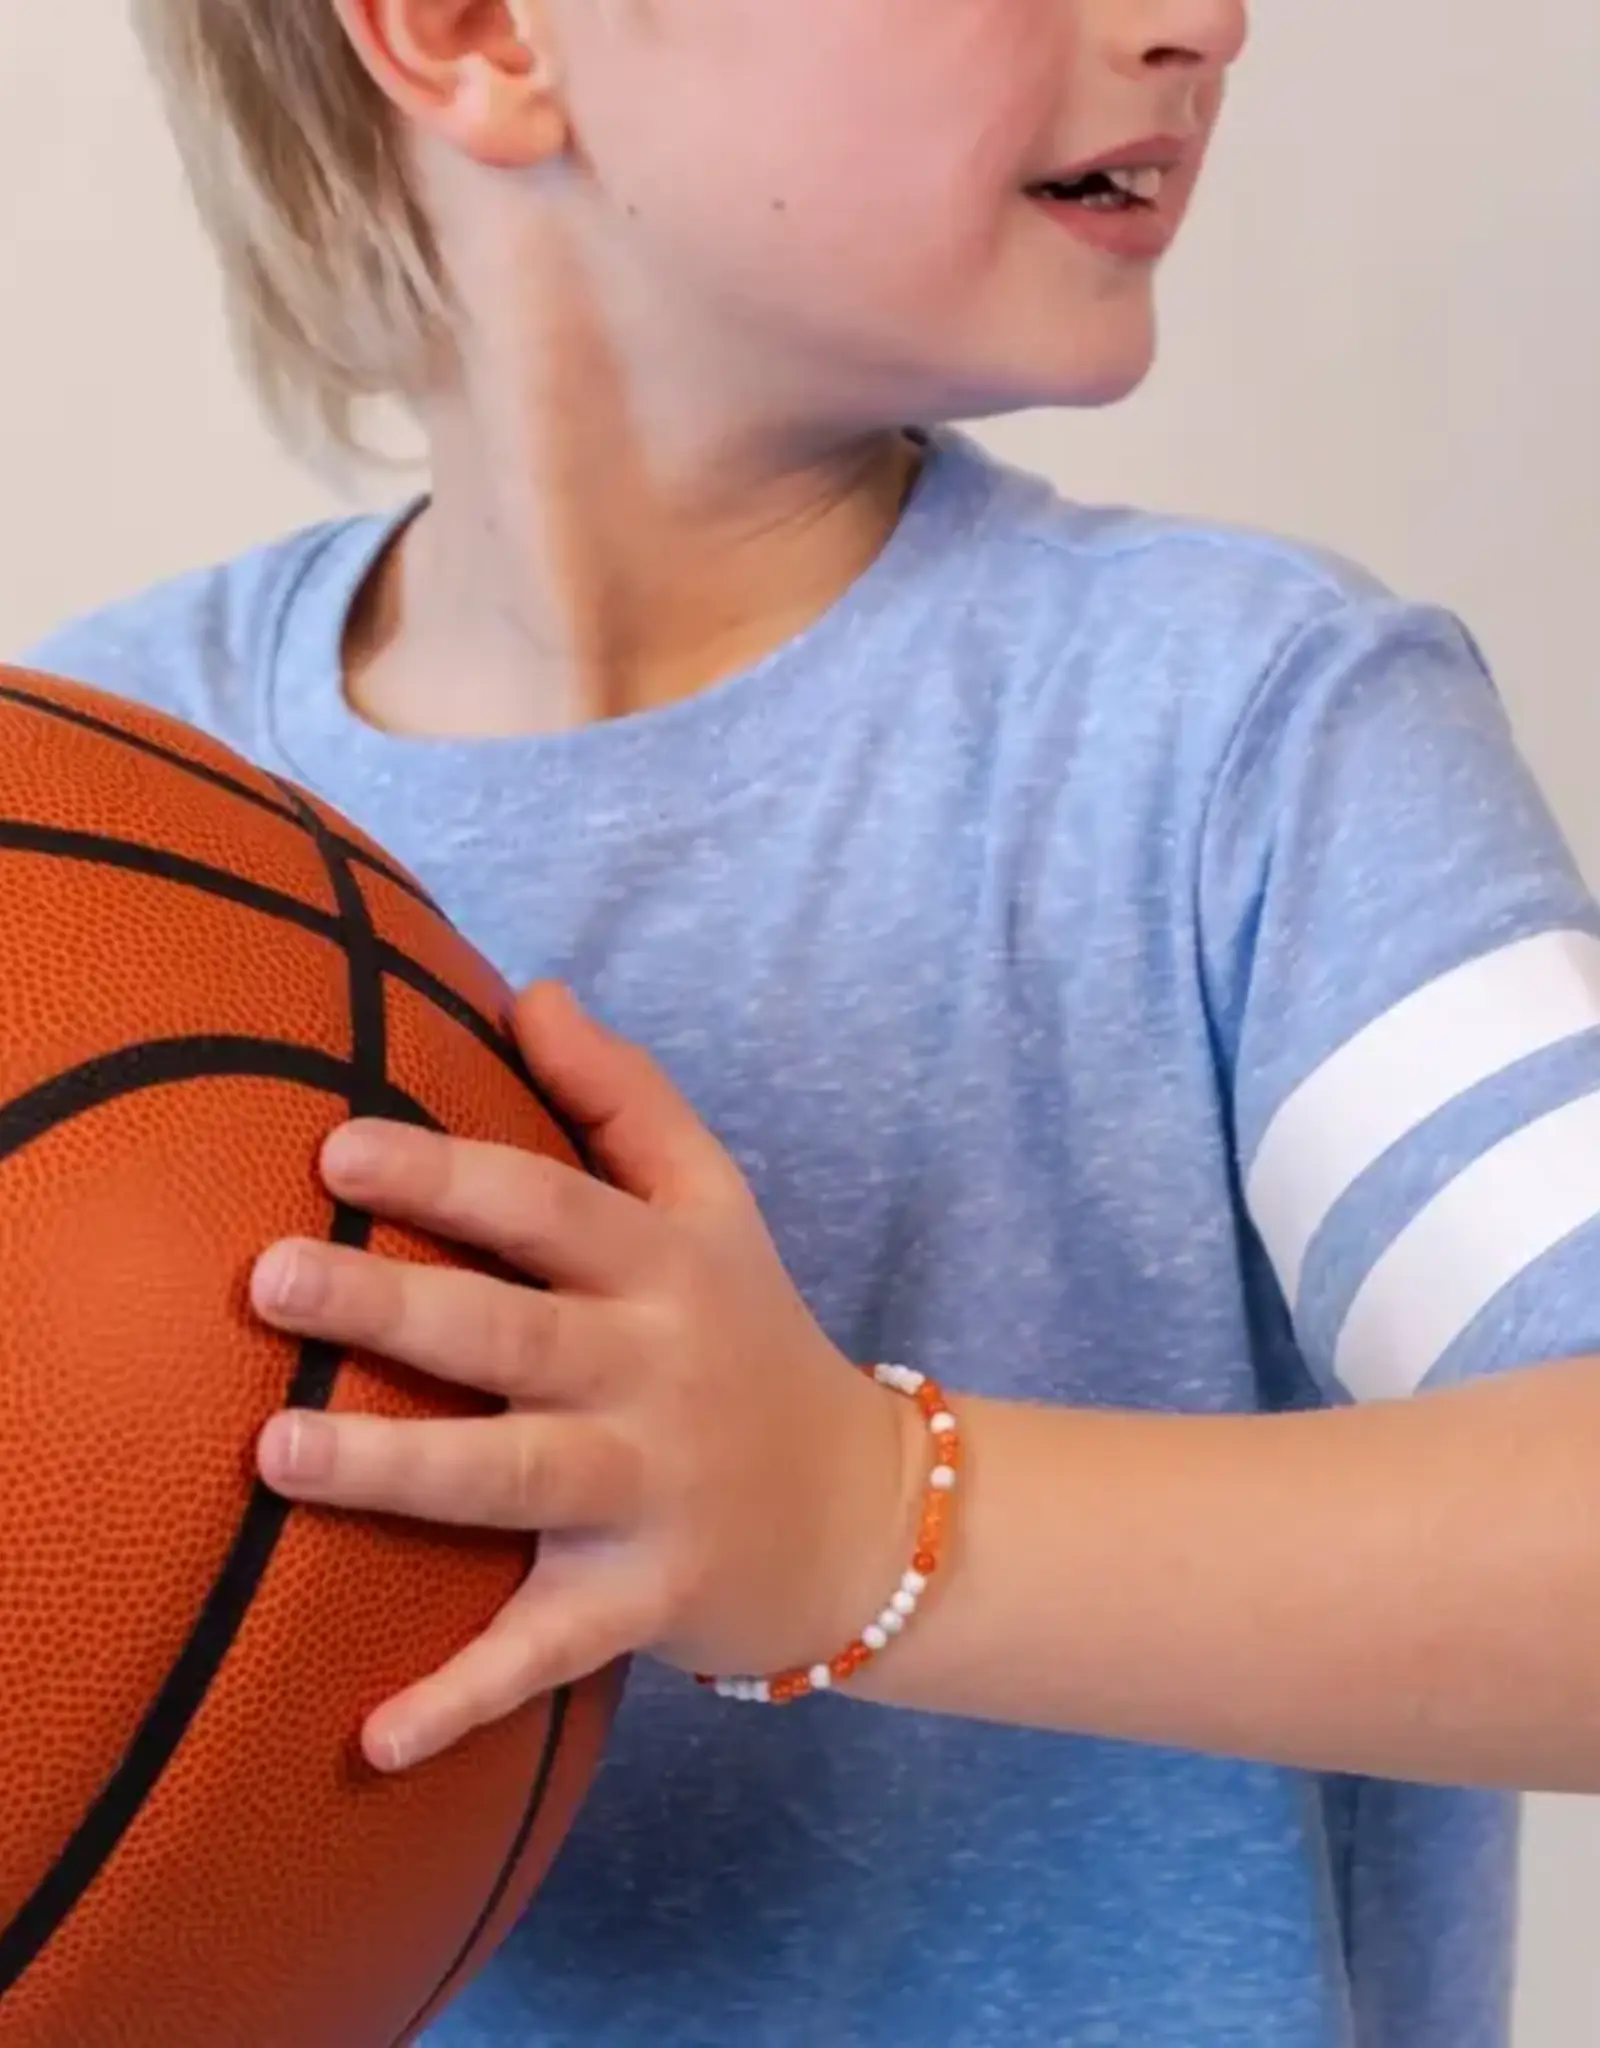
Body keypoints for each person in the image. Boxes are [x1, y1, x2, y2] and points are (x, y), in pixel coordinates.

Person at [23, 1, 1600, 2042]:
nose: (1196, 15)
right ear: (477, 28)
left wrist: (859, 1512)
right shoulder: (104, 812)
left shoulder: (1240, 739)